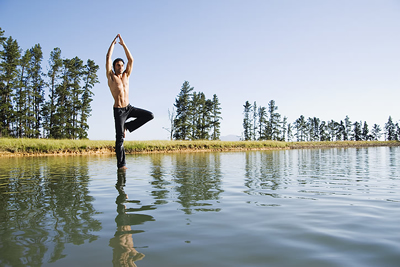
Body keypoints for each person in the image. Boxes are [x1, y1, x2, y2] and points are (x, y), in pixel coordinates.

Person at [106, 34, 154, 170]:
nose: (120, 67)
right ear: (114, 67)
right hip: (119, 111)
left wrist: (123, 44)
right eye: (118, 65)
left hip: (129, 108)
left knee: (149, 115)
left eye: (122, 65)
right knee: (119, 139)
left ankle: (128, 126)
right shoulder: (111, 77)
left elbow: (131, 59)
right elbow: (108, 58)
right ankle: (121, 165)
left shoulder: (126, 75)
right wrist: (113, 45)